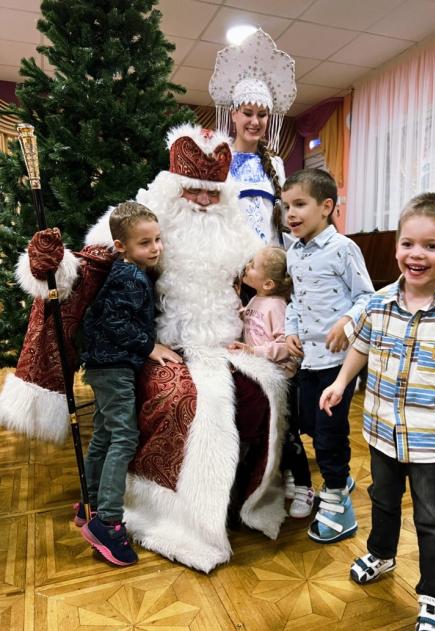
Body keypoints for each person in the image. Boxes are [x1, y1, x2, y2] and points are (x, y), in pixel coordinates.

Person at [0, 124, 288, 574]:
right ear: (176, 189)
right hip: (153, 345)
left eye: (215, 194)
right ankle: (152, 511)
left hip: (222, 342)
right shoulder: (143, 225)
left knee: (260, 394)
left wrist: (268, 333)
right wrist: (47, 267)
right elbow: (84, 269)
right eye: (196, 192)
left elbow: (265, 276)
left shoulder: (236, 231)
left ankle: (235, 498)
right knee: (185, 401)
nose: (206, 203)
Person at [319, 193, 435, 631]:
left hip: (433, 441)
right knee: (382, 498)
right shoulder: (377, 304)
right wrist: (340, 383)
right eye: (408, 244)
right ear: (397, 246)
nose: (416, 255)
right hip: (381, 430)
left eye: (431, 246)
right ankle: (381, 552)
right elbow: (361, 346)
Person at [75, 202, 181, 566]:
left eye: (157, 240)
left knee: (105, 434)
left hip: (104, 366)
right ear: (120, 246)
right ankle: (107, 522)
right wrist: (152, 346)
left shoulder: (127, 271)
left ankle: (86, 504)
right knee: (123, 437)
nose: (155, 249)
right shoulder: (131, 277)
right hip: (115, 368)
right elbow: (114, 324)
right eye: (145, 243)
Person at [283, 168, 375, 543]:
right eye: (286, 205)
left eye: (299, 204)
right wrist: (290, 329)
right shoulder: (293, 251)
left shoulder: (343, 249)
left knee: (328, 435)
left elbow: (368, 297)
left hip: (338, 363)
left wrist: (347, 322)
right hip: (308, 361)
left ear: (326, 207)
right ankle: (342, 477)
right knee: (309, 426)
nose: (290, 213)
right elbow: (294, 299)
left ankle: (338, 500)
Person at [228, 245, 314, 518]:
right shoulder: (255, 299)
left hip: (283, 381)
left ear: (267, 282)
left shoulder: (276, 306)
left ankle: (304, 486)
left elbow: (285, 345)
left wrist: (255, 352)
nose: (246, 267)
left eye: (251, 266)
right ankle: (286, 473)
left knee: (288, 435)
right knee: (273, 433)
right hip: (264, 378)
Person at [209, 28, 296, 246]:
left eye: (262, 115)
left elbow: (284, 219)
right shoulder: (216, 160)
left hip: (270, 267)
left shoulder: (276, 164)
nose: (255, 122)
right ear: (234, 115)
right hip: (230, 265)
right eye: (247, 113)